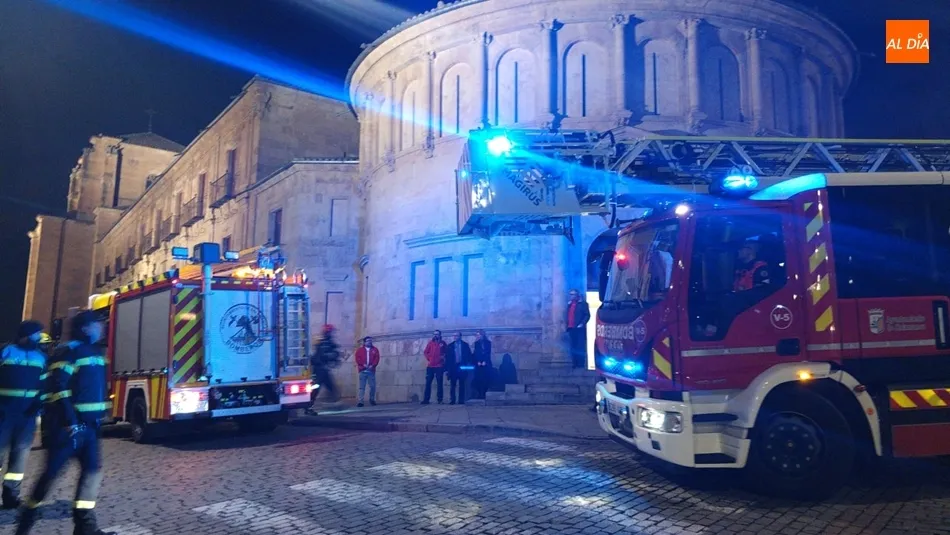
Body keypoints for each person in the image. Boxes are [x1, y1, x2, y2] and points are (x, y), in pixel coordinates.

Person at [16, 310, 114, 535]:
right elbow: (58, 387)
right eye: (96, 324)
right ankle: (25, 525)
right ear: (85, 328)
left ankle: (85, 528)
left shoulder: (97, 353)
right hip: (67, 429)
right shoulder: (69, 352)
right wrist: (70, 422)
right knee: (49, 476)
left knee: (92, 472)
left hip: (90, 427)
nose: (101, 328)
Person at [0, 321, 48, 509]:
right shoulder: (6, 352)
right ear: (26, 335)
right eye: (36, 334)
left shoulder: (41, 357)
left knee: (19, 458)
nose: (39, 338)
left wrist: (40, 402)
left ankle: (11, 496)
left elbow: (44, 384)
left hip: (27, 416)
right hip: (4, 413)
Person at [307, 324, 341, 413]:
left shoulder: (327, 342)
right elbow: (323, 355)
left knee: (330, 387)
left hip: (323, 369)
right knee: (316, 388)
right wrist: (333, 356)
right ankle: (308, 406)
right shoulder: (323, 343)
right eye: (331, 332)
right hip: (319, 370)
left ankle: (333, 402)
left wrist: (335, 357)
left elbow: (333, 352)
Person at [565, 289, 591, 368]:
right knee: (573, 346)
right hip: (571, 328)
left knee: (580, 346)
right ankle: (574, 363)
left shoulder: (583, 304)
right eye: (570, 294)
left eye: (573, 294)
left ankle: (581, 364)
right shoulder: (569, 305)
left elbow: (587, 315)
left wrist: (582, 324)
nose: (571, 296)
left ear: (577, 295)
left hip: (579, 328)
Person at [445, 332, 472, 405]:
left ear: (460, 336)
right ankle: (452, 400)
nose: (455, 337)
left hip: (462, 366)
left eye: (457, 336)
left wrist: (467, 365)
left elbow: (469, 356)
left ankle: (461, 400)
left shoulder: (465, 345)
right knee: (453, 384)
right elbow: (447, 358)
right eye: (454, 336)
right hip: (453, 367)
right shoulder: (450, 346)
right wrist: (447, 369)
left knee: (462, 384)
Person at [421, 330, 446, 405]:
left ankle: (440, 399)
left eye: (437, 334)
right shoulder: (430, 343)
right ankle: (426, 399)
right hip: (430, 366)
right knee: (428, 383)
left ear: (440, 335)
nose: (436, 335)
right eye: (434, 334)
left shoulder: (443, 343)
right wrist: (429, 358)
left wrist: (442, 358)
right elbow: (425, 352)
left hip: (439, 366)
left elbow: (446, 352)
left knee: (439, 383)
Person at [354, 336, 380, 407]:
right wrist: (363, 364)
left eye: (370, 341)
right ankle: (360, 401)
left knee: (372, 386)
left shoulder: (375, 350)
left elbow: (377, 358)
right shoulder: (360, 350)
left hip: (371, 371)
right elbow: (357, 358)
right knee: (362, 387)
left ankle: (372, 399)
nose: (370, 342)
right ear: (364, 342)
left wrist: (373, 365)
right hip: (362, 371)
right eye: (368, 341)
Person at [472, 330, 492, 400]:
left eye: (478, 335)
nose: (477, 336)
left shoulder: (488, 343)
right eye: (477, 335)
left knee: (486, 379)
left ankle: (484, 393)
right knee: (478, 379)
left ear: (482, 335)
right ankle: (480, 393)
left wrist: (485, 361)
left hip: (486, 364)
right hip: (478, 364)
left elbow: (488, 353)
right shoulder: (476, 343)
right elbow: (476, 353)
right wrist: (478, 361)